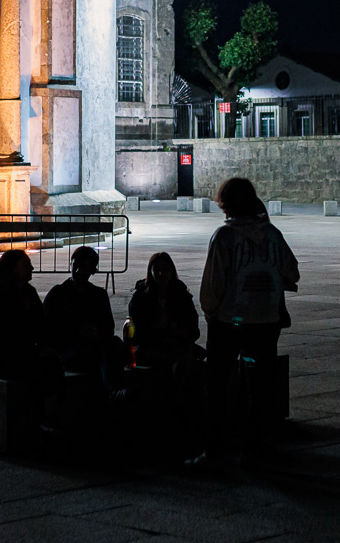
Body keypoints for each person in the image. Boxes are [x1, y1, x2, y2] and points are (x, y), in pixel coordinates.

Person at [194, 177, 299, 466]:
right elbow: (292, 271)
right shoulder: (273, 234)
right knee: (261, 386)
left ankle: (216, 448)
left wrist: (211, 312)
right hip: (266, 321)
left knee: (217, 386)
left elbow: (213, 283)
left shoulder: (224, 237)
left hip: (230, 321)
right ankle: (257, 447)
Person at [0, 250, 62, 437]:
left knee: (52, 364)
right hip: (7, 356)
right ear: (14, 269)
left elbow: (40, 324)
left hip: (28, 351)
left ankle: (49, 415)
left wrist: (44, 344)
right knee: (40, 370)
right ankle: (42, 418)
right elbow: (6, 331)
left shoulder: (29, 292)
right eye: (26, 265)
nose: (31, 268)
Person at [43, 246, 124, 392]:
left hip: (94, 345)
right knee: (93, 356)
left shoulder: (99, 295)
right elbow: (47, 329)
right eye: (76, 266)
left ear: (93, 271)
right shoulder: (58, 294)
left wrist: (96, 333)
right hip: (68, 348)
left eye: (84, 267)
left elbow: (108, 327)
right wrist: (76, 331)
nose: (78, 271)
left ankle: (114, 389)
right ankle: (112, 390)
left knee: (115, 345)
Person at [128, 252, 203, 369]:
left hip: (177, 344)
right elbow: (138, 331)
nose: (161, 273)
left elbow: (193, 327)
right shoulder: (140, 297)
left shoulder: (181, 295)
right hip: (151, 345)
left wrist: (181, 335)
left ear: (172, 271)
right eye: (157, 269)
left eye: (165, 269)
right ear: (150, 271)